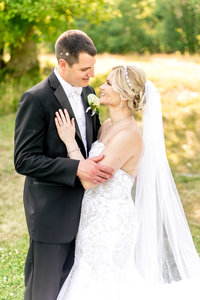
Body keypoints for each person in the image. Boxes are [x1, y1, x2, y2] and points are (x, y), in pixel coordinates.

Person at [54, 65, 200, 300]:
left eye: (109, 84)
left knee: (105, 280)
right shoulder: (107, 126)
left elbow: (90, 182)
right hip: (93, 219)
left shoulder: (129, 136)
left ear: (123, 96)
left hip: (111, 222)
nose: (101, 87)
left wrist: (70, 141)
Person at [14, 30, 114, 300]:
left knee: (71, 288)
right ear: (62, 64)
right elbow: (23, 160)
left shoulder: (89, 92)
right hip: (52, 213)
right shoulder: (36, 99)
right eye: (84, 68)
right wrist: (75, 169)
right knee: (43, 291)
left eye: (93, 67)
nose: (91, 75)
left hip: (87, 212)